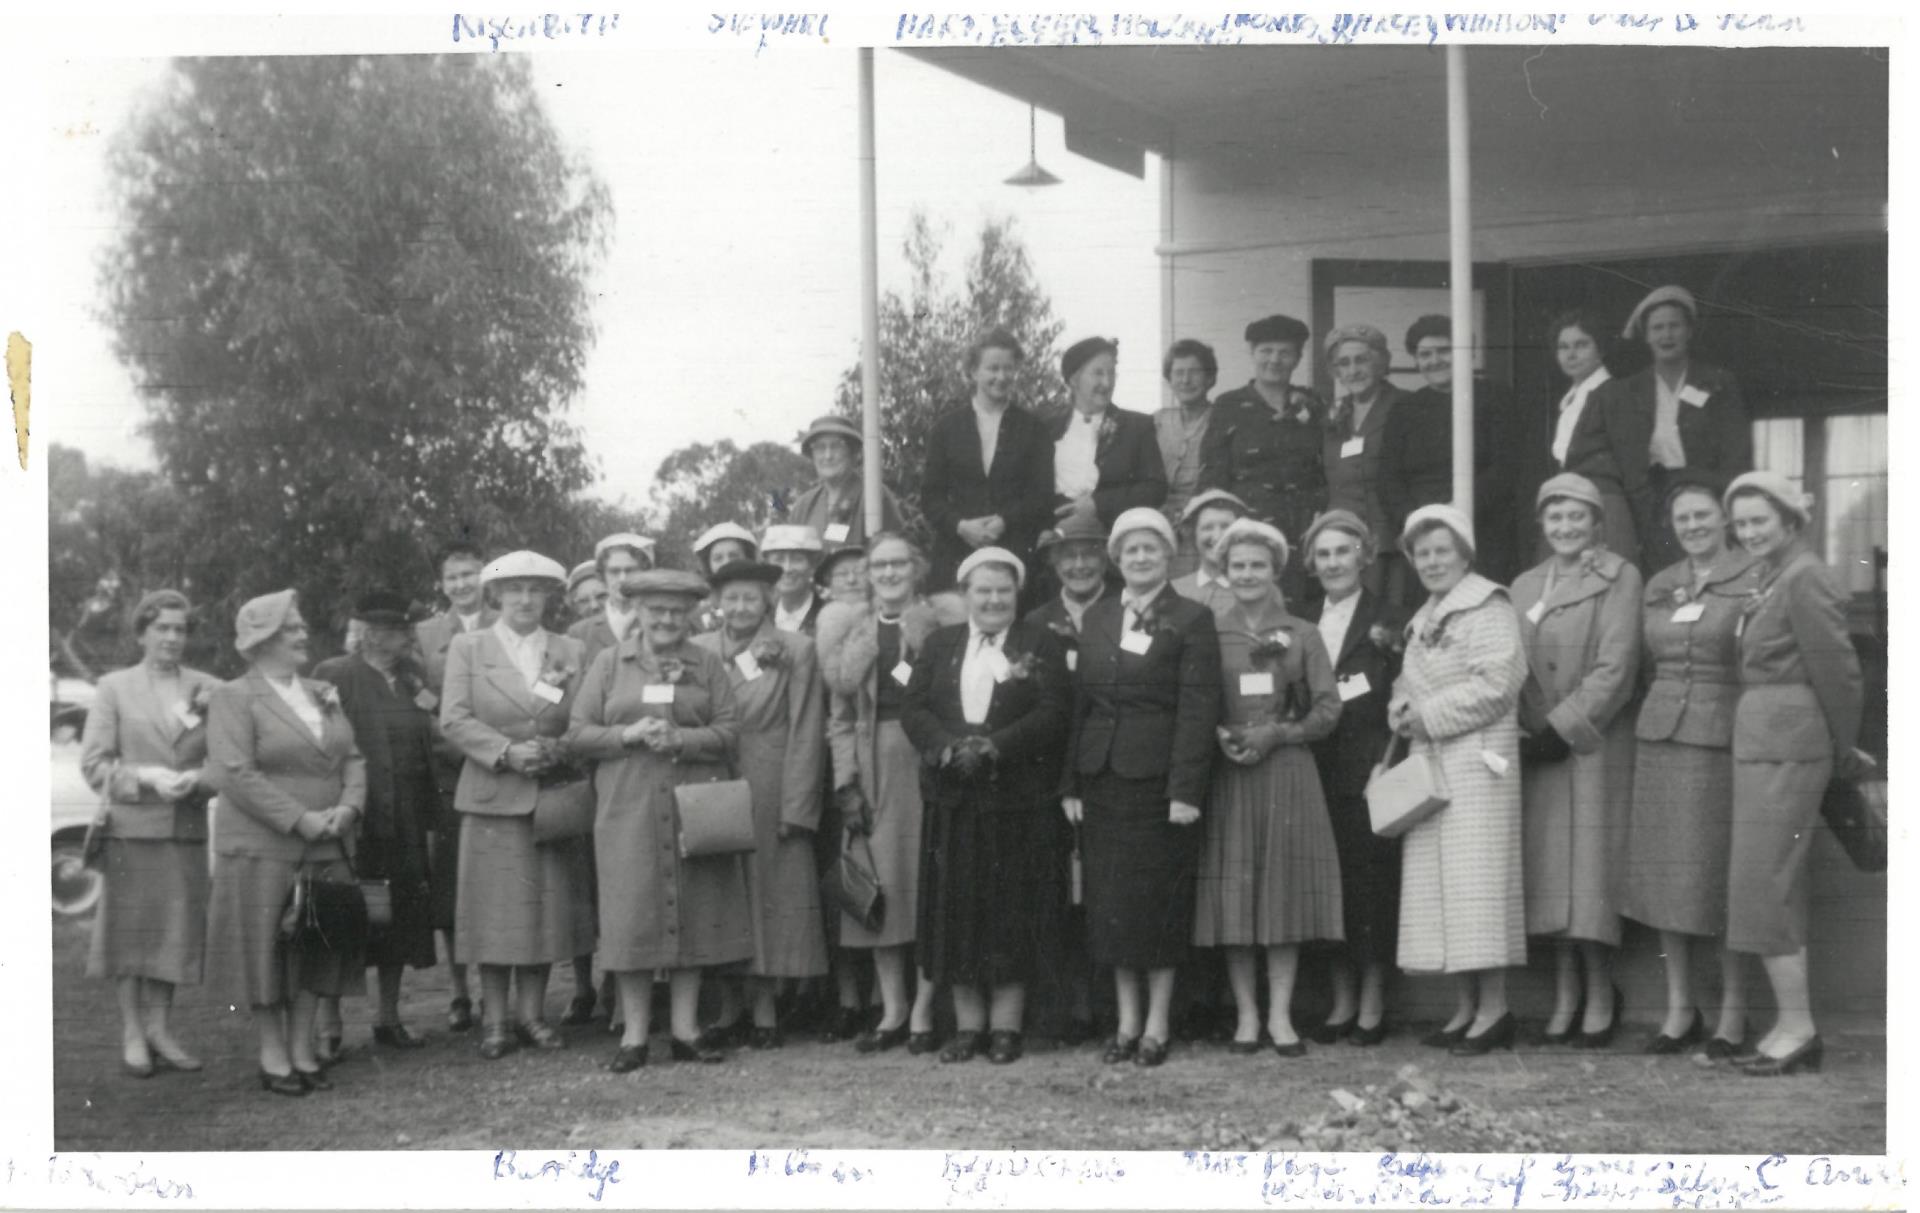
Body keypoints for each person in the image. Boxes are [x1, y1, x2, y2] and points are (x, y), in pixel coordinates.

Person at [567, 567, 754, 1071]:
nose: (667, 620)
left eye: (676, 611)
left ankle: (685, 1029)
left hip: (692, 801)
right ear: (639, 613)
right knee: (631, 914)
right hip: (627, 804)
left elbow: (731, 730)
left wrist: (684, 740)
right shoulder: (609, 663)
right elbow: (579, 733)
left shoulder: (707, 664)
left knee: (691, 908)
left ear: (689, 615)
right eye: (656, 611)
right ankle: (633, 1035)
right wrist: (626, 736)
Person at [1062, 507, 1223, 1067]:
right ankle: (1126, 1020)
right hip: (1103, 778)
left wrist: (1186, 789)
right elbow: (1081, 703)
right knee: (1111, 905)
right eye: (1129, 550)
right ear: (1117, 558)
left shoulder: (1192, 618)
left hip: (1157, 783)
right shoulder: (1100, 617)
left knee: (1157, 904)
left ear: (1168, 555)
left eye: (1150, 548)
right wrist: (1072, 782)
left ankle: (1157, 1022)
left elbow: (1199, 711)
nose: (1140, 558)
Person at [1723, 471, 1868, 1076]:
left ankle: (1799, 1027)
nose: (1751, 531)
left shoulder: (1805, 575)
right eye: (1743, 523)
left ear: (1789, 520)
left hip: (1789, 744)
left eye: (1761, 520)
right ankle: (1792, 1023)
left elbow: (1840, 673)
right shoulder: (1772, 574)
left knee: (1766, 884)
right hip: (1766, 741)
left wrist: (1843, 750)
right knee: (1772, 883)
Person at [901, 548, 1070, 1064]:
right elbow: (914, 706)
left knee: (1009, 908)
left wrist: (1000, 745)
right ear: (965, 595)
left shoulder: (1038, 642)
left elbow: (1055, 708)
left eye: (1003, 590)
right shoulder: (940, 643)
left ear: (1016, 595)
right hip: (955, 794)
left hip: (1015, 797)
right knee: (958, 908)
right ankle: (968, 1027)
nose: (993, 599)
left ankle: (1006, 1028)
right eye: (983, 590)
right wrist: (947, 748)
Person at [1621, 477, 1764, 1057]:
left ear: (1725, 520)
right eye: (1683, 518)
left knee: (1718, 879)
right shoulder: (1662, 584)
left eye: (1703, 515)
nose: (1694, 526)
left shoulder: (1753, 577)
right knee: (1665, 880)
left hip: (1721, 738)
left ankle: (1732, 1013)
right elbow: (1646, 662)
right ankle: (1680, 1008)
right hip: (1660, 740)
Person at [204, 590, 367, 1097]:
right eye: (291, 628)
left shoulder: (322, 690)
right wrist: (299, 819)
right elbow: (233, 773)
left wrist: (349, 808)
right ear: (262, 640)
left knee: (319, 946)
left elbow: (353, 758)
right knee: (267, 951)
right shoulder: (234, 697)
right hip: (263, 846)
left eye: (299, 626)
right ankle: (273, 1054)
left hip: (328, 843)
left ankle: (302, 1047)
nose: (303, 634)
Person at [1194, 518, 1344, 1057]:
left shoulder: (1303, 633)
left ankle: (1280, 1016)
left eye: (1259, 564)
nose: (1249, 574)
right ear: (1223, 570)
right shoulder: (1209, 631)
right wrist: (1218, 734)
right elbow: (1197, 701)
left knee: (1280, 893)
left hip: (1285, 772)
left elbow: (1329, 708)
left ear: (1276, 570)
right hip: (1231, 772)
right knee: (1235, 895)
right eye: (1238, 565)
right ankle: (1247, 1016)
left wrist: (1279, 733)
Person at [439, 552, 597, 1060]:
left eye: (536, 590)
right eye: (514, 590)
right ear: (496, 596)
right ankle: (495, 1019)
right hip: (492, 797)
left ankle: (532, 1015)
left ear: (550, 596)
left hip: (551, 796)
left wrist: (556, 749)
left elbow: (586, 717)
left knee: (543, 912)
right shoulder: (470, 647)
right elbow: (454, 719)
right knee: (495, 915)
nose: (525, 600)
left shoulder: (570, 648)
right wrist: (505, 752)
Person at [1510, 474, 1644, 1048]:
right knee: (1549, 871)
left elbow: (1617, 665)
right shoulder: (1522, 585)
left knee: (1589, 871)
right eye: (1555, 517)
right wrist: (1527, 726)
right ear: (1542, 524)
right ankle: (1564, 993)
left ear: (1596, 523)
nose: (1565, 528)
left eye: (1577, 517)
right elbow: (1508, 662)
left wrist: (1562, 728)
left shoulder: (1620, 577)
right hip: (1536, 741)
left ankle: (1599, 990)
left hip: (1590, 742)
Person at [1388, 505, 1528, 1056]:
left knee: (1478, 888)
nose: (1432, 561)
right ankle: (1465, 1006)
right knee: (1444, 891)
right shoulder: (1424, 617)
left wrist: (1427, 714)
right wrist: (1400, 709)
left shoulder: (1489, 606)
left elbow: (1499, 683)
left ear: (1465, 554)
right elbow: (1405, 679)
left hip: (1478, 762)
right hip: (1431, 761)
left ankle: (1495, 1009)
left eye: (1443, 550)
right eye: (1422, 553)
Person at [815, 533, 962, 1053]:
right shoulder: (853, 630)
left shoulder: (940, 624)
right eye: (880, 565)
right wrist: (846, 784)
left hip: (924, 762)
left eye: (899, 563)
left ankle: (924, 1009)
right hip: (869, 761)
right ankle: (891, 1007)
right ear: (869, 573)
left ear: (916, 569)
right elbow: (839, 718)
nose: (889, 573)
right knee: (871, 883)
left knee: (924, 883)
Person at [689, 561, 829, 1049]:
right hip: (713, 779)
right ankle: (729, 1006)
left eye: (751, 598)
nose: (741, 607)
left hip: (771, 780)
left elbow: (807, 728)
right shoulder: (699, 651)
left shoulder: (797, 650)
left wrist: (798, 805)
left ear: (768, 600)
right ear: (717, 603)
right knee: (722, 890)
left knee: (771, 891)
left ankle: (767, 1005)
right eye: (732, 598)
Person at [79, 589, 218, 1078]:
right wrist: (145, 778)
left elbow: (227, 760)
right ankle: (133, 1032)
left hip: (184, 830)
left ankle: (161, 1029)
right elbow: (94, 764)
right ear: (142, 633)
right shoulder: (113, 687)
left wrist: (198, 781)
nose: (172, 638)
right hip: (131, 831)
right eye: (162, 628)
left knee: (174, 936)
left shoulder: (208, 687)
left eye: (180, 629)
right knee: (130, 936)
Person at [313, 591, 442, 1049]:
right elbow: (320, 743)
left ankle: (388, 1017)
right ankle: (330, 1026)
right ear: (370, 634)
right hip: (356, 817)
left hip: (405, 818)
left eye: (406, 629)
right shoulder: (335, 675)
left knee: (402, 918)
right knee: (342, 918)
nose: (407, 637)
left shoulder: (412, 679)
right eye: (396, 630)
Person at [1299, 510, 1407, 1046]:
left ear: (1364, 556)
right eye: (1323, 554)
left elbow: (1399, 694)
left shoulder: (1387, 619)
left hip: (1367, 768)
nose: (1334, 562)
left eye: (1343, 551)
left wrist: (1385, 760)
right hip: (1311, 768)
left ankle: (1371, 1001)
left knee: (1369, 886)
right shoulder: (1298, 619)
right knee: (1326, 887)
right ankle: (1340, 998)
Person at [1567, 286, 1753, 572]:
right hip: (1646, 506)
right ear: (1646, 335)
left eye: (1674, 326)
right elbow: (1588, 457)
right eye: (1657, 328)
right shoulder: (1621, 393)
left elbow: (1737, 454)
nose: (1666, 335)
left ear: (1689, 331)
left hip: (1705, 500)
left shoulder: (1717, 383)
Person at [413, 541, 493, 1031]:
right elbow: (416, 698)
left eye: (470, 574)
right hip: (446, 772)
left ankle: (495, 988)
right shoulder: (424, 636)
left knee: (496, 880)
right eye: (453, 577)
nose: (462, 584)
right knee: (450, 887)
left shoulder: (505, 627)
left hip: (499, 768)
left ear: (485, 576)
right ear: (441, 585)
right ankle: (459, 990)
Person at [1378, 315, 1519, 584]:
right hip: (1422, 532)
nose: (1434, 360)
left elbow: (1505, 468)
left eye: (1444, 351)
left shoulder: (1495, 398)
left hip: (1481, 527)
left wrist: (1456, 511)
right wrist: (1416, 521)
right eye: (1425, 354)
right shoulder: (1405, 409)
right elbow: (1388, 478)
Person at [1199, 315, 1326, 605]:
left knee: (1301, 613)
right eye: (1266, 351)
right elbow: (1213, 476)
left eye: (1285, 352)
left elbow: (1324, 469)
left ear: (1297, 358)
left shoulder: (1313, 404)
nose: (1275, 359)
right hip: (1248, 533)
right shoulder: (1228, 405)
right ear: (1252, 353)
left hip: (1303, 533)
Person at [920, 328, 1056, 591]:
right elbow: (931, 497)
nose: (1001, 377)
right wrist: (960, 526)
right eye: (992, 368)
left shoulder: (1033, 429)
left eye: (1009, 369)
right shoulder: (946, 428)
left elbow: (1041, 495)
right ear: (973, 372)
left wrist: (1004, 520)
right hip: (956, 554)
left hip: (1014, 550)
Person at [1323, 324, 1412, 600]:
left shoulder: (1404, 406)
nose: (1353, 370)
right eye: (1344, 363)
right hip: (1343, 539)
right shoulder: (1334, 413)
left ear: (1381, 362)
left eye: (1361, 360)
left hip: (1389, 541)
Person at [1049, 336, 1167, 528]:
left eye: (1112, 373)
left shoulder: (1136, 426)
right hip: (1056, 532)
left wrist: (1098, 504)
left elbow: (1155, 488)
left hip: (1114, 531)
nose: (1107, 382)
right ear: (1074, 380)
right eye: (1098, 373)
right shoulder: (1047, 428)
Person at [1544, 310, 1627, 560]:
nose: (1571, 354)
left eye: (1581, 345)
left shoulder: (1612, 393)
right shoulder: (1570, 399)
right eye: (1563, 347)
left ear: (1600, 349)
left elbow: (1629, 460)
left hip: (1604, 506)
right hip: (1569, 510)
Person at [785, 414, 907, 551]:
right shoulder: (804, 505)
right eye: (820, 448)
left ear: (853, 452)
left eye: (836, 446)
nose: (828, 456)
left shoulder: (874, 496)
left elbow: (894, 553)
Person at [1153, 339, 1220, 578]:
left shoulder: (1220, 420)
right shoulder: (1157, 422)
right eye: (1178, 373)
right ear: (1169, 380)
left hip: (1202, 526)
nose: (1185, 380)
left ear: (1210, 378)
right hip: (1161, 528)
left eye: (1194, 372)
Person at [569, 532, 656, 669]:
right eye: (614, 572)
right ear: (602, 576)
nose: (622, 579)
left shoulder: (661, 623)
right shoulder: (580, 632)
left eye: (630, 570)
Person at [1170, 489, 1250, 615]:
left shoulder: (1258, 589)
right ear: (1194, 534)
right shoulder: (1175, 590)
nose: (1217, 536)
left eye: (1225, 527)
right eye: (1207, 527)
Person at [761, 525, 827, 636]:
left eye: (797, 559)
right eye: (779, 559)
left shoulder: (827, 616)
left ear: (812, 566)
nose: (787, 568)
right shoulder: (761, 616)